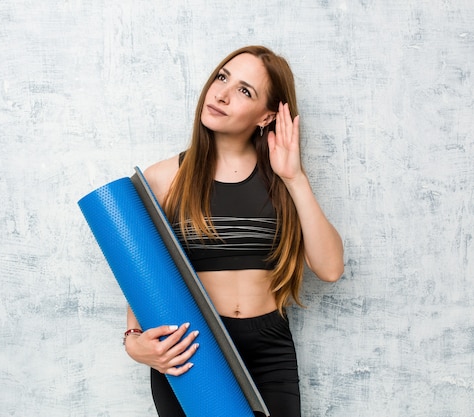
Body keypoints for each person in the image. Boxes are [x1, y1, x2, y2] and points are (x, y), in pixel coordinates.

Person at [123, 45, 344, 417]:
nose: (222, 94)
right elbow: (139, 271)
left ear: (267, 116)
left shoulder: (283, 181)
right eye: (222, 78)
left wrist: (295, 177)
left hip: (269, 350)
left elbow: (330, 269)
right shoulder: (161, 179)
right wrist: (134, 342)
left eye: (245, 91)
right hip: (192, 349)